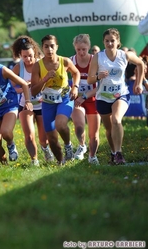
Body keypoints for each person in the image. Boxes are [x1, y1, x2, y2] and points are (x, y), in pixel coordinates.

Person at [87, 28, 144, 164]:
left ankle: (119, 153)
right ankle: (113, 153)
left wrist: (139, 83)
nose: (110, 43)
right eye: (107, 41)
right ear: (103, 42)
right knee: (109, 129)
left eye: (112, 41)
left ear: (118, 42)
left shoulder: (124, 55)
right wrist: (98, 76)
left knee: (117, 120)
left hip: (121, 94)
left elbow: (140, 63)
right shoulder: (98, 57)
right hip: (103, 97)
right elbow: (90, 79)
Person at [30, 35, 81, 165]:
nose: (49, 49)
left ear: (56, 47)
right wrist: (45, 78)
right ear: (42, 48)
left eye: (52, 46)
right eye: (46, 46)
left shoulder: (64, 61)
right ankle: (60, 161)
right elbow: (34, 91)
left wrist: (75, 87)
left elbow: (76, 73)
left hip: (65, 98)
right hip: (48, 102)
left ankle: (68, 146)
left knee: (60, 124)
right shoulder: (37, 66)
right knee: (51, 138)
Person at [11, 36, 54, 166]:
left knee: (44, 138)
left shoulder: (41, 63)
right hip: (25, 104)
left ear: (34, 52)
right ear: (20, 55)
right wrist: (24, 88)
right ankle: (34, 160)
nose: (28, 59)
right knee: (29, 136)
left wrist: (37, 84)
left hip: (42, 104)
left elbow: (51, 82)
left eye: (30, 56)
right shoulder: (18, 68)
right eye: (24, 57)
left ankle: (46, 150)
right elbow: (12, 87)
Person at [70, 34, 101, 164]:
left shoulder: (95, 60)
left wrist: (85, 96)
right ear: (75, 48)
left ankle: (92, 156)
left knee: (94, 134)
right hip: (77, 99)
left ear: (88, 47)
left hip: (93, 98)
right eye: (78, 50)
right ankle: (82, 146)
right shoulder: (71, 61)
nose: (81, 53)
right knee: (79, 126)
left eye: (84, 49)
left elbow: (101, 86)